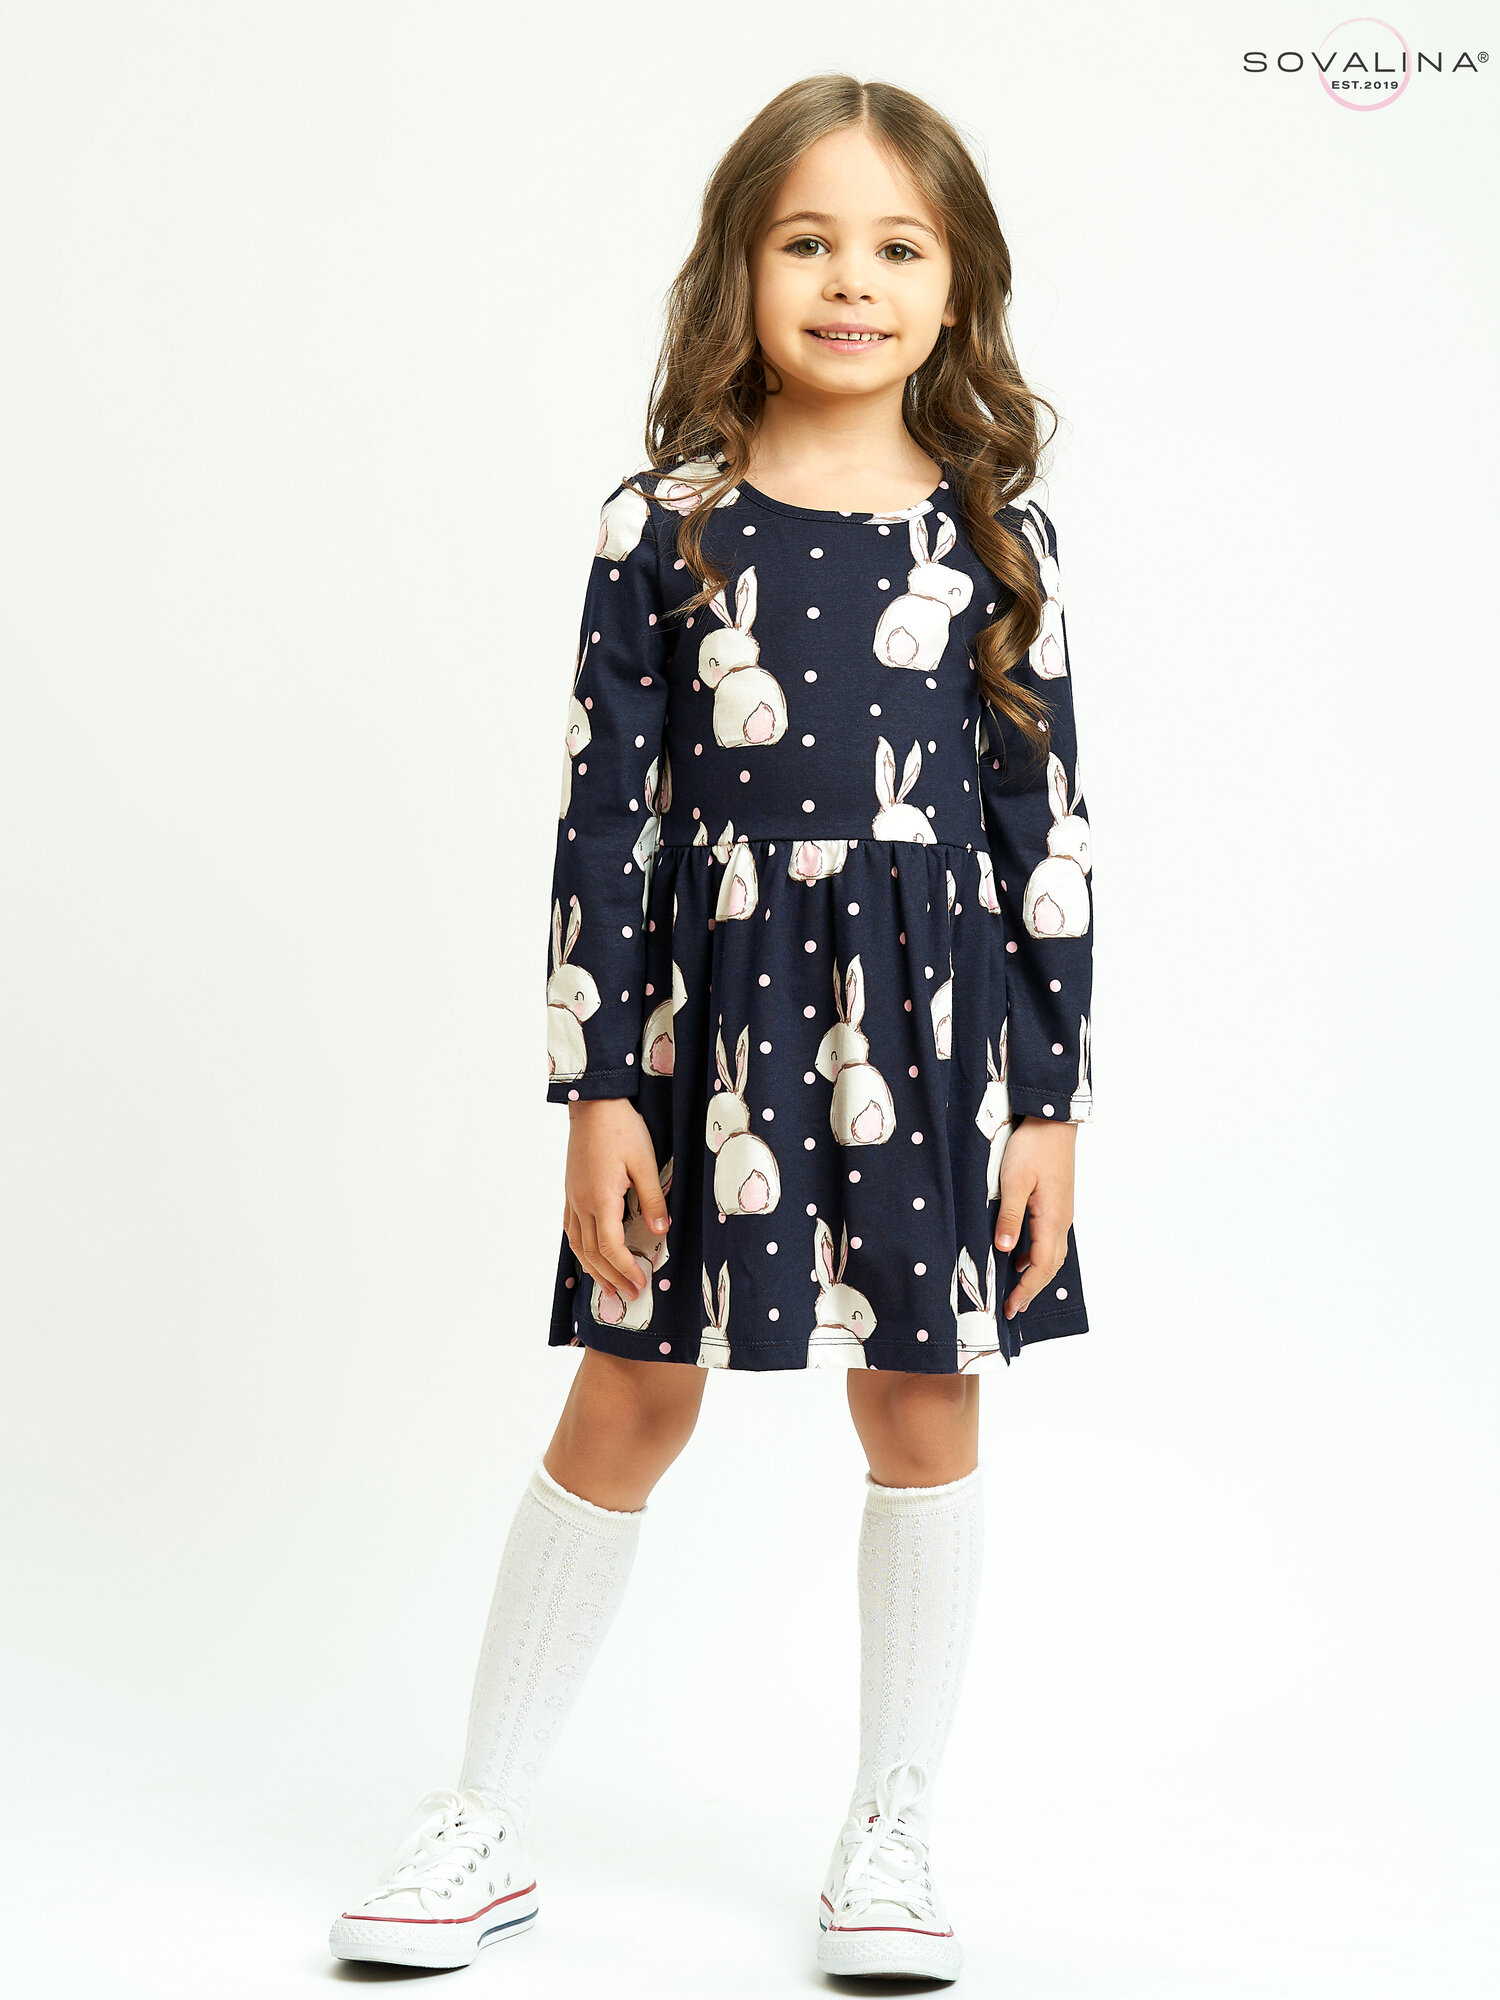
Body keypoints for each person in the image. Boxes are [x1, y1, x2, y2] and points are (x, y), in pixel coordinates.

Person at [330, 71, 1094, 1984]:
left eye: (897, 247)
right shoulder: (661, 527)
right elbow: (604, 813)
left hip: (927, 1035)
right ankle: (483, 1815)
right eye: (807, 242)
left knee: (920, 1400)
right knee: (629, 1391)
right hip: (702, 1037)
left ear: (957, 284)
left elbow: (1047, 836)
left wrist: (1051, 1103)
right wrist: (595, 1087)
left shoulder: (992, 538)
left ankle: (892, 1827)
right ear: (739, 269)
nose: (852, 281)